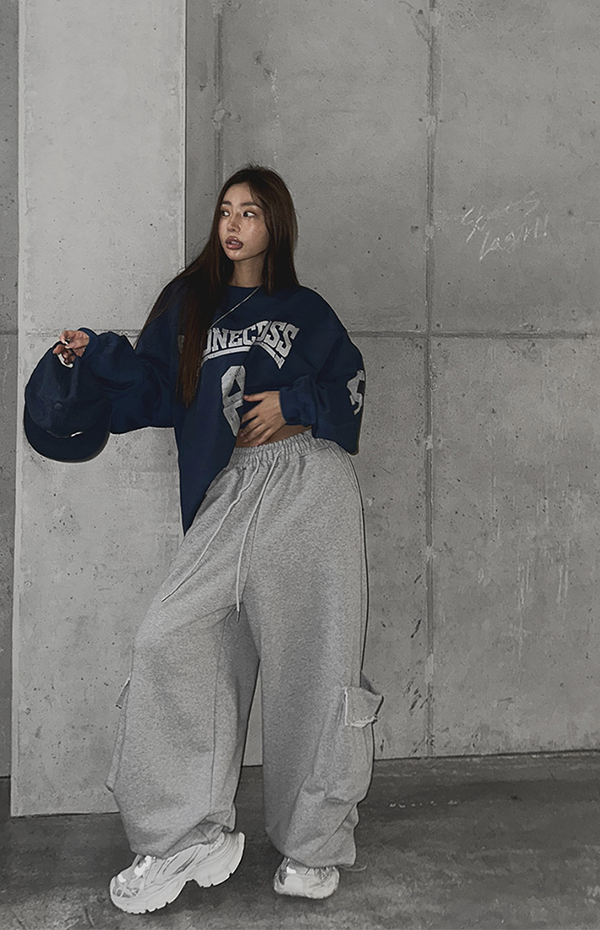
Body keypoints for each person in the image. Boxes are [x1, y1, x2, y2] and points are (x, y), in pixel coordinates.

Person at [53, 165, 381, 914]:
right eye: (226, 211)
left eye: (251, 213)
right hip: (228, 491)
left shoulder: (305, 309)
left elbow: (351, 383)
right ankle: (186, 835)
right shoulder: (188, 303)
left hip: (308, 486)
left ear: (276, 226)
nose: (234, 225)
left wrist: (295, 404)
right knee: (171, 642)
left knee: (315, 666)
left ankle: (314, 844)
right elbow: (153, 390)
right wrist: (94, 352)